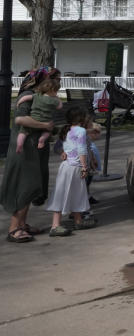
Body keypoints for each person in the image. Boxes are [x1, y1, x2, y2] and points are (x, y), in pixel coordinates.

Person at [2, 67, 60, 243]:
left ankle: (22, 224)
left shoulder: (43, 96)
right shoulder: (26, 96)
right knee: (23, 187)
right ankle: (14, 229)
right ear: (43, 80)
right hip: (23, 150)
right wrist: (46, 126)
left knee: (32, 186)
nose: (58, 82)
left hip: (34, 148)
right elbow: (21, 119)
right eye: (55, 78)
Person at [47, 106, 97, 236]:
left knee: (76, 193)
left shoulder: (69, 129)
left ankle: (78, 220)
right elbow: (81, 150)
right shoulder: (80, 131)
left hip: (68, 167)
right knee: (65, 193)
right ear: (82, 119)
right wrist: (85, 166)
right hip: (74, 167)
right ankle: (55, 226)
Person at [15, 78, 62, 154]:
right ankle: (42, 140)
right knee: (47, 132)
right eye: (57, 91)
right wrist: (58, 99)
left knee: (23, 132)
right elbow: (60, 106)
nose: (57, 93)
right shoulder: (54, 100)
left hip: (33, 120)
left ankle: (19, 144)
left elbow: (25, 98)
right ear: (53, 90)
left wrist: (19, 102)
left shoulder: (37, 96)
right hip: (45, 121)